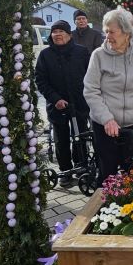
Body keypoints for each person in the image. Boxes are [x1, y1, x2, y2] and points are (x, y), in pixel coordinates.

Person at [84, 7, 133, 183]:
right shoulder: (99, 55)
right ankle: (104, 207)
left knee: (132, 171)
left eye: (112, 32)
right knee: (107, 173)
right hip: (105, 125)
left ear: (126, 33)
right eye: (106, 31)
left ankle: (131, 207)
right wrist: (107, 118)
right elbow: (90, 90)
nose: (107, 36)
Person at [35, 20, 91, 186]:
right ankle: (66, 170)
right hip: (57, 105)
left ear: (69, 34)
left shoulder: (81, 52)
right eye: (54, 32)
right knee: (61, 139)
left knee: (81, 135)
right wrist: (55, 99)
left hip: (80, 103)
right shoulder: (45, 55)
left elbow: (91, 76)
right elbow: (41, 80)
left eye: (61, 31)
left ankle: (81, 166)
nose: (57, 34)